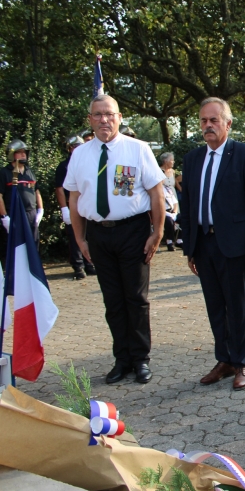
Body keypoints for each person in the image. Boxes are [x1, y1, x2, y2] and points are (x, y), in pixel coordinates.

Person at [64, 94, 166, 384]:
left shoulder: (138, 149)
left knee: (136, 298)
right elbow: (74, 200)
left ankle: (141, 359)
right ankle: (122, 359)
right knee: (113, 301)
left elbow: (157, 194)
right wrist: (81, 239)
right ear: (90, 120)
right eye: (97, 115)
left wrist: (157, 233)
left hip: (132, 231)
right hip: (98, 234)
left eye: (109, 114)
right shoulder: (80, 155)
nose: (104, 120)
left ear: (119, 117)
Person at [179, 97, 245, 391]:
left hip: (233, 245)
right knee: (215, 305)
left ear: (227, 124)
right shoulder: (193, 159)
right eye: (203, 121)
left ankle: (241, 360)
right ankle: (224, 359)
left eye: (214, 120)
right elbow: (188, 205)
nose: (208, 126)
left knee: (236, 305)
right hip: (203, 244)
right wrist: (189, 248)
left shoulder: (243, 154)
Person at [55, 135, 97, 279]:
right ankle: (78, 266)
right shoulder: (64, 166)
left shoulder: (88, 163)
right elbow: (60, 189)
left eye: (79, 146)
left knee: (89, 235)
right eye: (74, 147)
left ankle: (90, 264)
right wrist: (64, 209)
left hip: (86, 204)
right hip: (72, 205)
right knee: (75, 237)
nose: (77, 149)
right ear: (69, 149)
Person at [0, 140, 44, 263]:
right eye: (19, 152)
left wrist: (40, 210)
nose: (23, 155)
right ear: (11, 154)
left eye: (24, 152)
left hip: (31, 214)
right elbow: (0, 196)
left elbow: (37, 192)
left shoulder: (30, 171)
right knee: (16, 248)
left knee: (33, 245)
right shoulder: (4, 172)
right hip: (14, 214)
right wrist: (4, 217)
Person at [159, 152, 182, 251]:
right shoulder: (158, 171)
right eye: (172, 160)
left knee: (180, 217)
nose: (173, 162)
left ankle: (179, 240)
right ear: (165, 161)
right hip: (163, 197)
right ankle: (169, 241)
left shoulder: (172, 171)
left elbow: (176, 183)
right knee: (169, 220)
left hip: (173, 197)